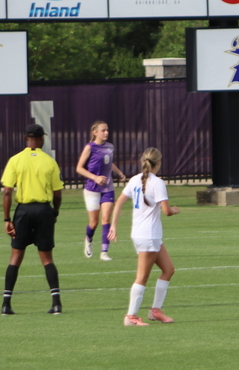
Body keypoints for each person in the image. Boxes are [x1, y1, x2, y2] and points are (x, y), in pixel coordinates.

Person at [108, 147, 180, 327]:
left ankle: (156, 311)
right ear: (159, 163)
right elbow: (166, 211)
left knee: (169, 269)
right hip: (149, 235)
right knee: (142, 277)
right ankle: (131, 316)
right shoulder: (158, 183)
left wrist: (114, 226)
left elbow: (118, 203)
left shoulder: (134, 180)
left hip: (143, 234)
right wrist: (175, 210)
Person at [0, 124, 65, 315]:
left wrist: (7, 219)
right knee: (47, 258)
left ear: (26, 138)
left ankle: (6, 304)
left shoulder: (15, 160)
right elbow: (58, 193)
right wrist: (55, 212)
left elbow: (6, 192)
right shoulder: (49, 161)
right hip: (44, 210)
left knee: (15, 257)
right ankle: (56, 304)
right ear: (41, 139)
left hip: (24, 211)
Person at [75, 120, 127, 262]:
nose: (106, 133)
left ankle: (104, 252)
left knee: (106, 219)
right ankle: (89, 239)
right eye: (103, 130)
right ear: (95, 132)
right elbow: (79, 168)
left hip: (108, 188)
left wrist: (119, 173)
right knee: (94, 222)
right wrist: (95, 178)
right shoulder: (89, 147)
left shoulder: (110, 147)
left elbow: (109, 162)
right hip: (92, 189)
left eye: (107, 130)